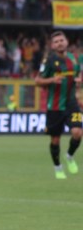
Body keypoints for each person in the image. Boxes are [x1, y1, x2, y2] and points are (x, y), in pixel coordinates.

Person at [34, 30, 81, 179]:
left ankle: (69, 156)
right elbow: (37, 81)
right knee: (55, 140)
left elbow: (77, 76)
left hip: (71, 103)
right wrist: (52, 80)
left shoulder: (74, 58)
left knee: (77, 133)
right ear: (52, 46)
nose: (59, 43)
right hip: (54, 106)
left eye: (61, 40)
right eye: (56, 42)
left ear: (66, 42)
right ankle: (58, 167)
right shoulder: (48, 61)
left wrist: (79, 81)